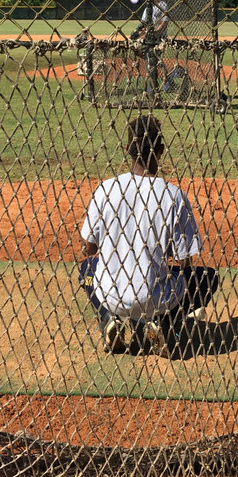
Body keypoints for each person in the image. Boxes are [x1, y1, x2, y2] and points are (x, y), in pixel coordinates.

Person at [78, 115, 218, 357]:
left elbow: (89, 249)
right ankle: (166, 324)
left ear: (127, 150)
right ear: (161, 150)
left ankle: (108, 317)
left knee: (85, 269)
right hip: (159, 298)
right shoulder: (173, 195)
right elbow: (185, 261)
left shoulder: (106, 189)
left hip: (112, 294)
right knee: (209, 278)